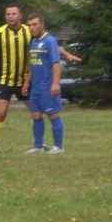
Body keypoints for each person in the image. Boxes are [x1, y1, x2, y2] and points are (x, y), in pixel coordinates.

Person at [0, 3, 82, 153]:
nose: (11, 16)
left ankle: (39, 144)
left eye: (13, 14)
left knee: (36, 112)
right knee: (1, 112)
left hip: (25, 81)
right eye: (8, 14)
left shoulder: (30, 31)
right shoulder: (0, 33)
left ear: (20, 16)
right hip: (6, 81)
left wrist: (67, 54)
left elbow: (48, 44)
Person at [24, 13, 64, 154]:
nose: (32, 28)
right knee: (35, 116)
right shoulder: (33, 42)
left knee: (52, 115)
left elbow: (56, 64)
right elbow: (33, 64)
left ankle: (58, 147)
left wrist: (55, 84)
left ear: (42, 24)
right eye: (29, 25)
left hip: (47, 87)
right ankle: (38, 146)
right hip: (35, 87)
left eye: (34, 24)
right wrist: (27, 82)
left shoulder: (49, 41)